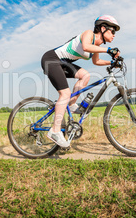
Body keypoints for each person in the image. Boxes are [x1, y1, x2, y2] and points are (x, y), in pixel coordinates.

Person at [41, 15, 121, 148]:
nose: (114, 35)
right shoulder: (89, 34)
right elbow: (85, 47)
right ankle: (54, 131)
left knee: (85, 75)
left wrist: (112, 62)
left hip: (62, 63)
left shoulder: (96, 45)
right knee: (65, 94)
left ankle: (72, 105)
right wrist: (108, 50)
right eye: (112, 31)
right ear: (103, 28)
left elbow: (96, 61)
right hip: (51, 59)